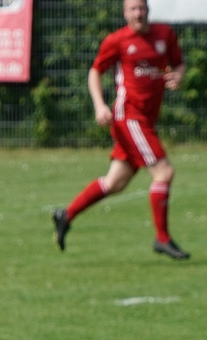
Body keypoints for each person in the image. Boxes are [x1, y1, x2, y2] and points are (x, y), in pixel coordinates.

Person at [51, 0, 188, 260]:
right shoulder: (117, 40)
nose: (138, 13)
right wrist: (99, 105)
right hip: (129, 117)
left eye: (141, 8)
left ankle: (66, 216)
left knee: (115, 182)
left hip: (146, 119)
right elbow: (95, 72)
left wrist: (178, 76)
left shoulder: (164, 34)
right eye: (132, 9)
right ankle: (162, 239)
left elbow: (179, 64)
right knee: (164, 172)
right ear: (125, 13)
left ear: (148, 10)